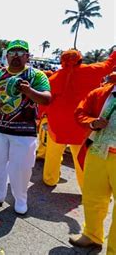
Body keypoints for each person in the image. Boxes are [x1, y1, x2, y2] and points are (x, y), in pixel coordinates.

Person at [0, 40, 51, 215]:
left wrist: (29, 92)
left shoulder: (37, 75)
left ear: (27, 56)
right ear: (7, 56)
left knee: (21, 168)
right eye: (13, 53)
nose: (16, 57)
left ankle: (20, 199)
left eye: (21, 53)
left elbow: (47, 99)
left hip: (24, 132)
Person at [43, 49, 116, 190]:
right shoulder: (92, 70)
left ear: (61, 62)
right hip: (81, 124)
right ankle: (85, 186)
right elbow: (109, 64)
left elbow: (44, 102)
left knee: (53, 154)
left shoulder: (54, 78)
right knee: (81, 157)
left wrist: (41, 116)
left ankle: (50, 179)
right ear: (81, 60)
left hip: (57, 124)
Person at [69, 72, 115, 252]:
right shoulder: (100, 93)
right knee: (93, 197)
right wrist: (93, 123)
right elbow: (80, 112)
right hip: (98, 151)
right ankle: (92, 235)